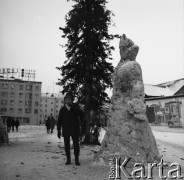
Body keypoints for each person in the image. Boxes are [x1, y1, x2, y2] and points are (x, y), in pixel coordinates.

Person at [57, 92, 84, 166]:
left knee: (76, 145)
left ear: (72, 100)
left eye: (69, 99)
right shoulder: (62, 110)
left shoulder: (75, 108)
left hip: (75, 129)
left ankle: (76, 159)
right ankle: (68, 159)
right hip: (66, 129)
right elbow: (59, 121)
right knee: (67, 145)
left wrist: (75, 107)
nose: (67, 101)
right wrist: (58, 130)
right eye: (66, 100)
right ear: (64, 101)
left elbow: (82, 115)